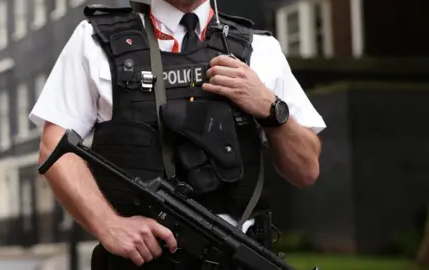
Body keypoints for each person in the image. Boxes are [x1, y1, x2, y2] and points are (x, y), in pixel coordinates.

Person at [29, 0, 326, 269]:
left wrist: (272, 110)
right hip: (142, 261)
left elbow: (306, 169)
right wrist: (108, 225)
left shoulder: (260, 49)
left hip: (238, 258)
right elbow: (55, 147)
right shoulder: (94, 40)